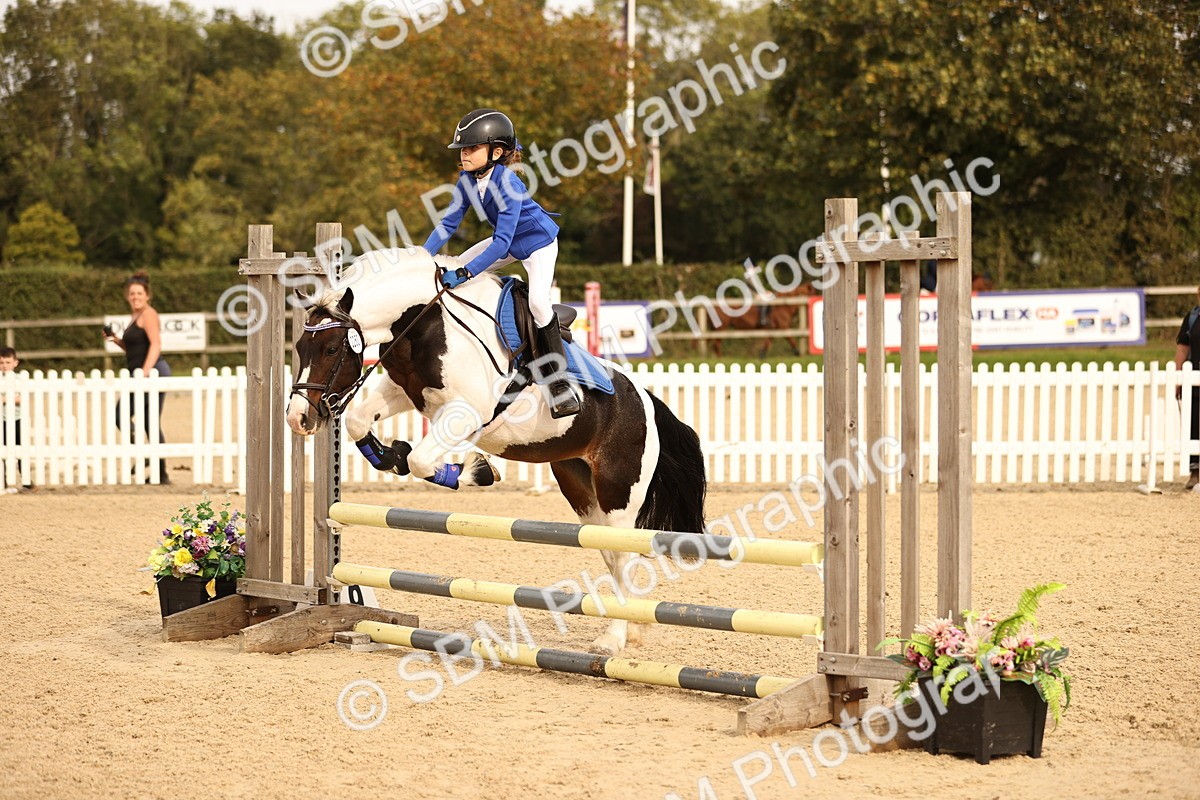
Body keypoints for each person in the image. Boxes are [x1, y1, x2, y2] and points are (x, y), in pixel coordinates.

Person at [422, 108, 581, 419]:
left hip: (537, 244)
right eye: (462, 149)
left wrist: (467, 273)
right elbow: (448, 224)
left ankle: (558, 384)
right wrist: (421, 256)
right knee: (446, 269)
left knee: (537, 303)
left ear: (496, 151)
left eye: (471, 148)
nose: (464, 155)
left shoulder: (508, 183)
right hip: (505, 242)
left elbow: (502, 245)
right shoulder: (467, 179)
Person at [104, 271, 171, 484]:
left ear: (147, 295)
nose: (135, 297)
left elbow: (156, 344)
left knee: (123, 415)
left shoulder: (149, 314)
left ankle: (150, 460)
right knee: (148, 422)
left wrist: (145, 372)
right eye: (132, 293)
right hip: (141, 374)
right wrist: (115, 339)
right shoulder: (135, 317)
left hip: (152, 373)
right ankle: (160, 473)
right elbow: (132, 347)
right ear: (127, 296)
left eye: (139, 293)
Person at [1175, 286, 1200, 490]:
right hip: (1194, 380)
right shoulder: (1192, 318)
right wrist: (1178, 377)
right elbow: (1183, 348)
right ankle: (1195, 473)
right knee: (1194, 426)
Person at [0, 347, 33, 493]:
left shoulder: (19, 379)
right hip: (2, 420)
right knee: (3, 451)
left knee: (21, 450)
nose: (4, 365)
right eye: (1, 363)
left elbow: (22, 399)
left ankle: (26, 481)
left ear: (15, 362)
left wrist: (6, 399)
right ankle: (4, 480)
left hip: (18, 419)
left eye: (7, 362)